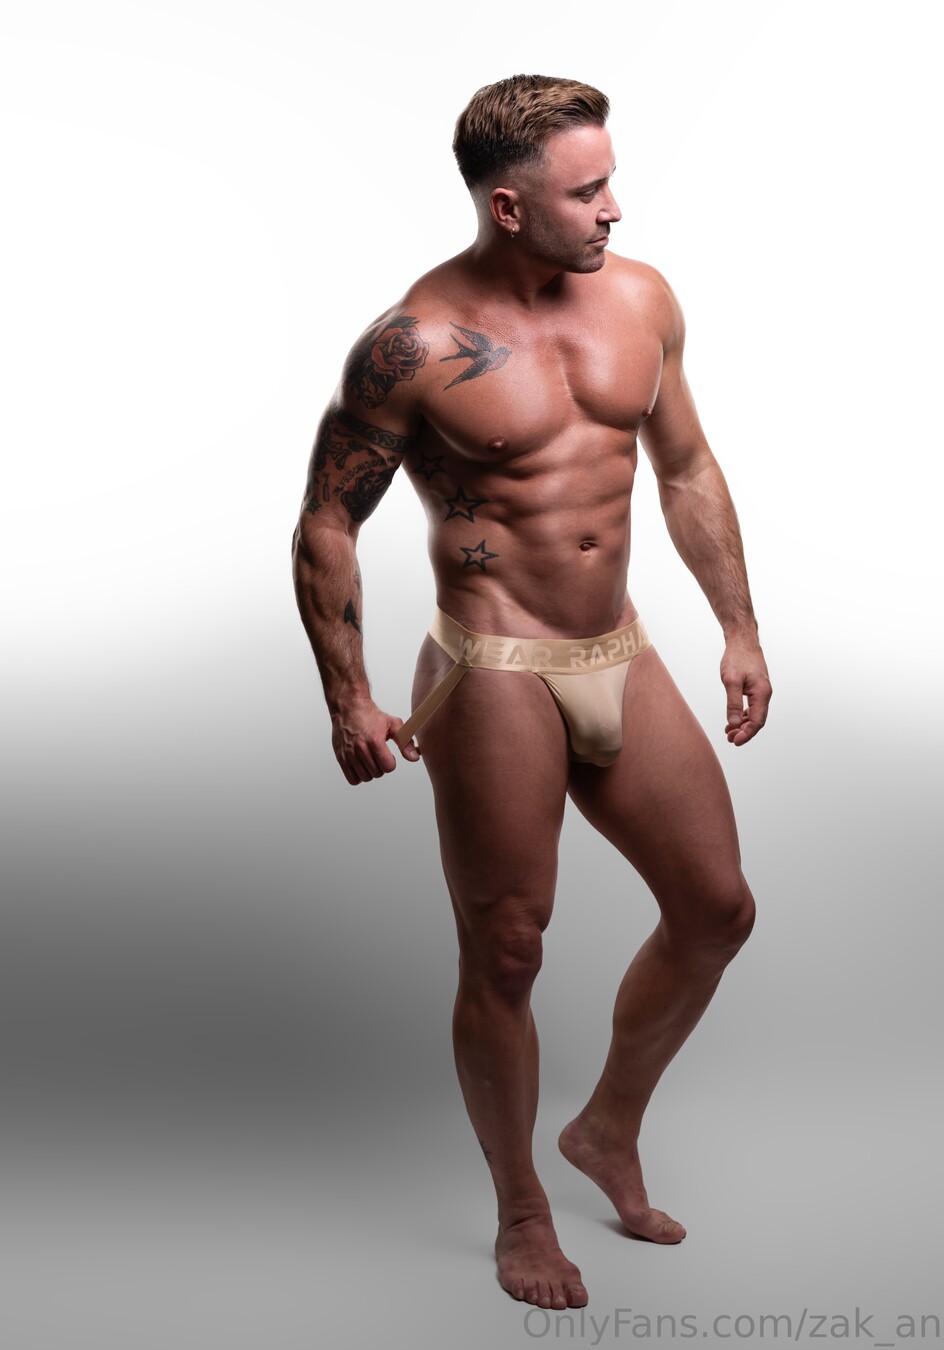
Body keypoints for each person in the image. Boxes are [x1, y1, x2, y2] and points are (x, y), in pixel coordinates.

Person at [292, 74, 772, 1311]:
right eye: (587, 191)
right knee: (507, 949)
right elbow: (328, 522)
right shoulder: (412, 346)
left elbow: (685, 466)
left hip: (619, 649)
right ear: (509, 207)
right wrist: (347, 694)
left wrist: (737, 624)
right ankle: (521, 1210)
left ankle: (605, 1127)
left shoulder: (642, 299)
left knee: (717, 909)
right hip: (494, 665)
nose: (615, 207)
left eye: (611, 180)